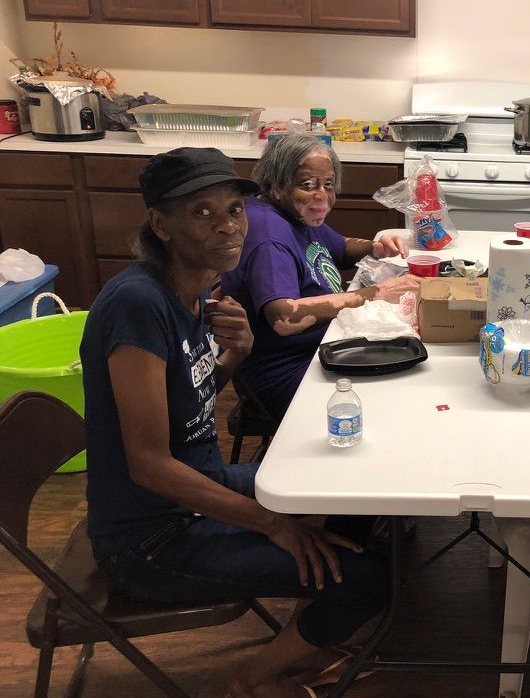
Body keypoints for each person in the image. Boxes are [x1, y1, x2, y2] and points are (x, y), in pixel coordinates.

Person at [80, 147, 390, 698]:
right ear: (160, 225)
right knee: (370, 581)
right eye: (202, 212)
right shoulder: (138, 305)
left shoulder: (193, 290)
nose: (228, 226)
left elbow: (191, 400)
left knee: (358, 486)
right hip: (152, 537)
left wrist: (237, 355)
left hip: (204, 487)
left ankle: (306, 633)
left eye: (234, 210)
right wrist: (274, 525)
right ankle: (252, 680)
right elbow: (149, 464)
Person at [220, 133, 420, 420]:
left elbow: (338, 247)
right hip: (289, 372)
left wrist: (374, 247)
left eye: (328, 185)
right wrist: (375, 294)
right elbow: (284, 318)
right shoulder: (268, 236)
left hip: (320, 348)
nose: (322, 196)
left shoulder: (295, 214)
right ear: (276, 186)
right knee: (402, 396)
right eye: (307, 185)